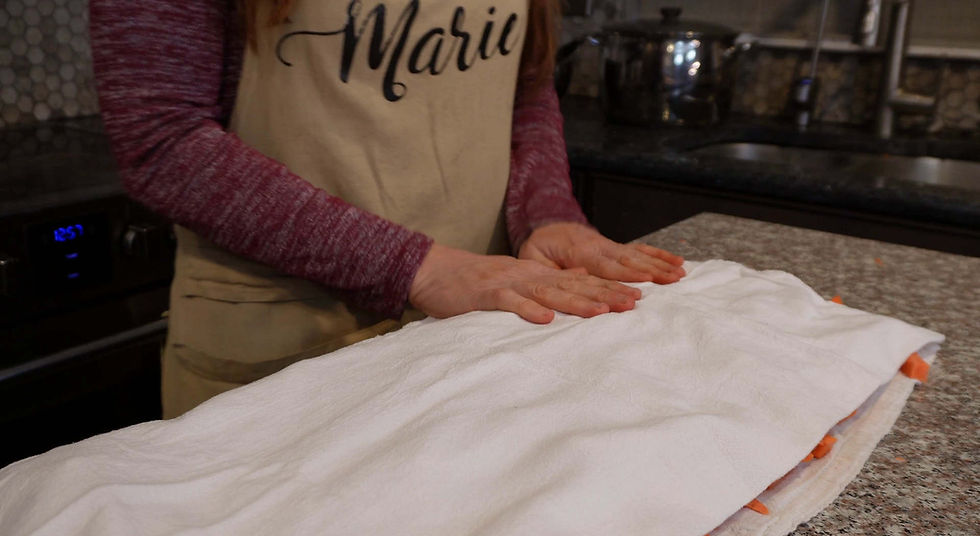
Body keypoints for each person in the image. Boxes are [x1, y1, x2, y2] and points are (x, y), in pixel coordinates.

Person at [89, 0, 687, 418]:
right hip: (285, 340)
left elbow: (524, 89)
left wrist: (546, 211)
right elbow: (161, 141)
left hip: (477, 330)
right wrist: (417, 266)